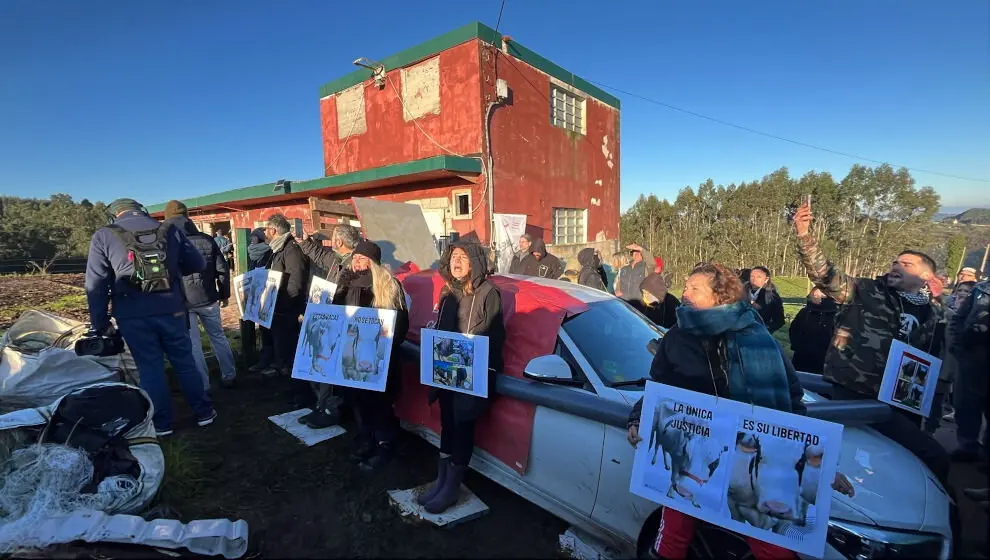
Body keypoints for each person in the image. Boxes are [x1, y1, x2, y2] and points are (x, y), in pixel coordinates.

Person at [626, 262, 853, 560]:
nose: (685, 292)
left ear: (720, 296)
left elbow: (790, 402)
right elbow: (660, 385)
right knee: (671, 538)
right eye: (685, 286)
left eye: (695, 288)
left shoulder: (758, 338)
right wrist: (638, 417)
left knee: (773, 548)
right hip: (692, 456)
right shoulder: (677, 336)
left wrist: (820, 463)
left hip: (750, 461)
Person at [793, 202, 951, 488]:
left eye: (906, 264)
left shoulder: (934, 311)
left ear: (926, 276)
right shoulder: (865, 291)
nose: (896, 267)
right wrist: (804, 234)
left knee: (899, 462)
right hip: (856, 392)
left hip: (903, 399)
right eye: (895, 262)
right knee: (932, 454)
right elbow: (824, 274)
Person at [85, 198, 216, 437]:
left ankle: (162, 424)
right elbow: (196, 262)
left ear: (116, 215)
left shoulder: (104, 235)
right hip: (172, 309)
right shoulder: (169, 229)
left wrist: (100, 323)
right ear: (143, 210)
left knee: (149, 368)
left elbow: (95, 284)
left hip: (132, 315)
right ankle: (204, 413)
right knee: (184, 362)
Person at [416, 242, 506, 514]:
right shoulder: (447, 292)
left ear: (475, 262)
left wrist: (477, 364)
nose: (456, 262)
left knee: (463, 425)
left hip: (472, 373)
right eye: (453, 257)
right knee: (447, 425)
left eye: (463, 257)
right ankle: (442, 480)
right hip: (447, 371)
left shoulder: (489, 293)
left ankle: (452, 487)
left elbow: (496, 337)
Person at [328, 241, 409, 471]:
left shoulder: (388, 286)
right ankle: (366, 438)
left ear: (373, 262)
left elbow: (400, 323)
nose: (357, 262)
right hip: (350, 359)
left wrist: (381, 340)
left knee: (380, 405)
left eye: (362, 258)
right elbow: (335, 315)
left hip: (379, 360)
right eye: (355, 258)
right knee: (359, 403)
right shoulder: (346, 284)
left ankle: (386, 444)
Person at [163, 201, 237, 390]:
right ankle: (229, 374)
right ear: (187, 216)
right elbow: (222, 269)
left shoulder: (166, 242)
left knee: (193, 344)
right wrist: (224, 293)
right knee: (218, 337)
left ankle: (203, 385)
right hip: (208, 297)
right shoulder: (206, 239)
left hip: (182, 301)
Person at [295, 223, 362, 427]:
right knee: (320, 366)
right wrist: (305, 242)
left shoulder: (357, 263)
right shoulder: (336, 259)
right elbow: (319, 255)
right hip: (328, 320)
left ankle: (330, 410)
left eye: (333, 237)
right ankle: (322, 406)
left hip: (343, 323)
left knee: (331, 372)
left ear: (339, 241)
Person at [263, 214, 309, 381]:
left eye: (265, 229)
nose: (264, 232)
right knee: (278, 340)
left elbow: (295, 283)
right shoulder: (279, 249)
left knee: (287, 343)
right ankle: (279, 367)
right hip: (277, 306)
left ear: (273, 230)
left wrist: (283, 306)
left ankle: (290, 378)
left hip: (287, 308)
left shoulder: (291, 250)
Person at [949, 278, 989, 461]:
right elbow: (959, 318)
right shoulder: (981, 289)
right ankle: (967, 446)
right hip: (971, 361)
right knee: (966, 406)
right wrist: (958, 346)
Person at [244, 228, 275, 374]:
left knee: (267, 329)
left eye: (254, 237)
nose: (252, 240)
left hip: (268, 295)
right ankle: (265, 358)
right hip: (256, 295)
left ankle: (268, 360)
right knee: (262, 328)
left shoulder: (269, 252)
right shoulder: (252, 254)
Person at [788, 287, 837, 375]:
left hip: (825, 359)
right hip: (802, 357)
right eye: (815, 295)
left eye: (821, 295)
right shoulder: (805, 312)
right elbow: (794, 329)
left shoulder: (836, 314)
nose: (818, 297)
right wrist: (796, 346)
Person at [746, 266, 785, 333]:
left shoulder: (772, 297)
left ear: (766, 279)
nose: (754, 279)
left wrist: (766, 330)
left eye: (759, 277)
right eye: (752, 276)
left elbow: (779, 321)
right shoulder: (741, 292)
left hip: (760, 334)